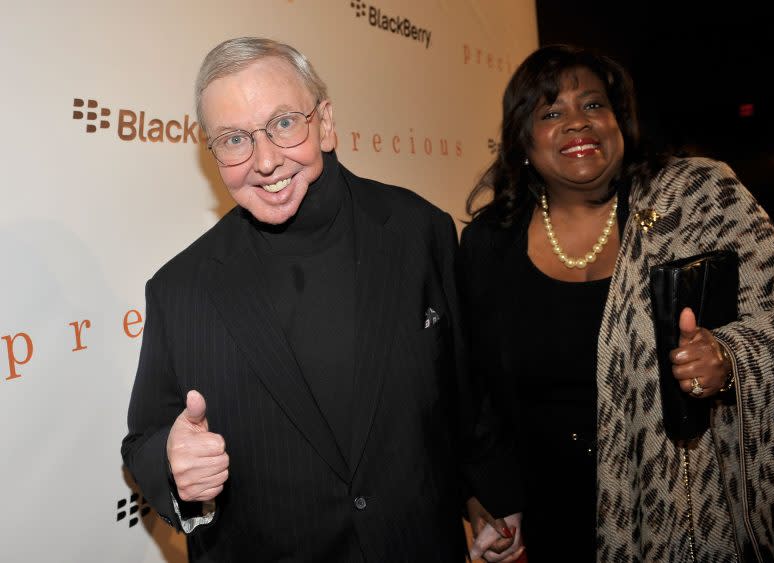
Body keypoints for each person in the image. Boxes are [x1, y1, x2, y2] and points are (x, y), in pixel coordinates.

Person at [121, 37, 525, 562]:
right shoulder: (180, 288)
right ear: (213, 152)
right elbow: (144, 441)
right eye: (234, 139)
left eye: (284, 123)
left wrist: (489, 492)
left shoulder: (417, 230)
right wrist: (173, 466)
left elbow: (464, 389)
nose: (265, 161)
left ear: (326, 122)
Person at [458, 44, 774, 561]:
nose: (576, 123)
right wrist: (491, 492)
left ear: (619, 122)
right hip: (556, 509)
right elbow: (475, 383)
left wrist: (727, 357)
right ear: (522, 141)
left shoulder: (696, 200)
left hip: (688, 500)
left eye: (593, 105)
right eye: (550, 112)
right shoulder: (488, 243)